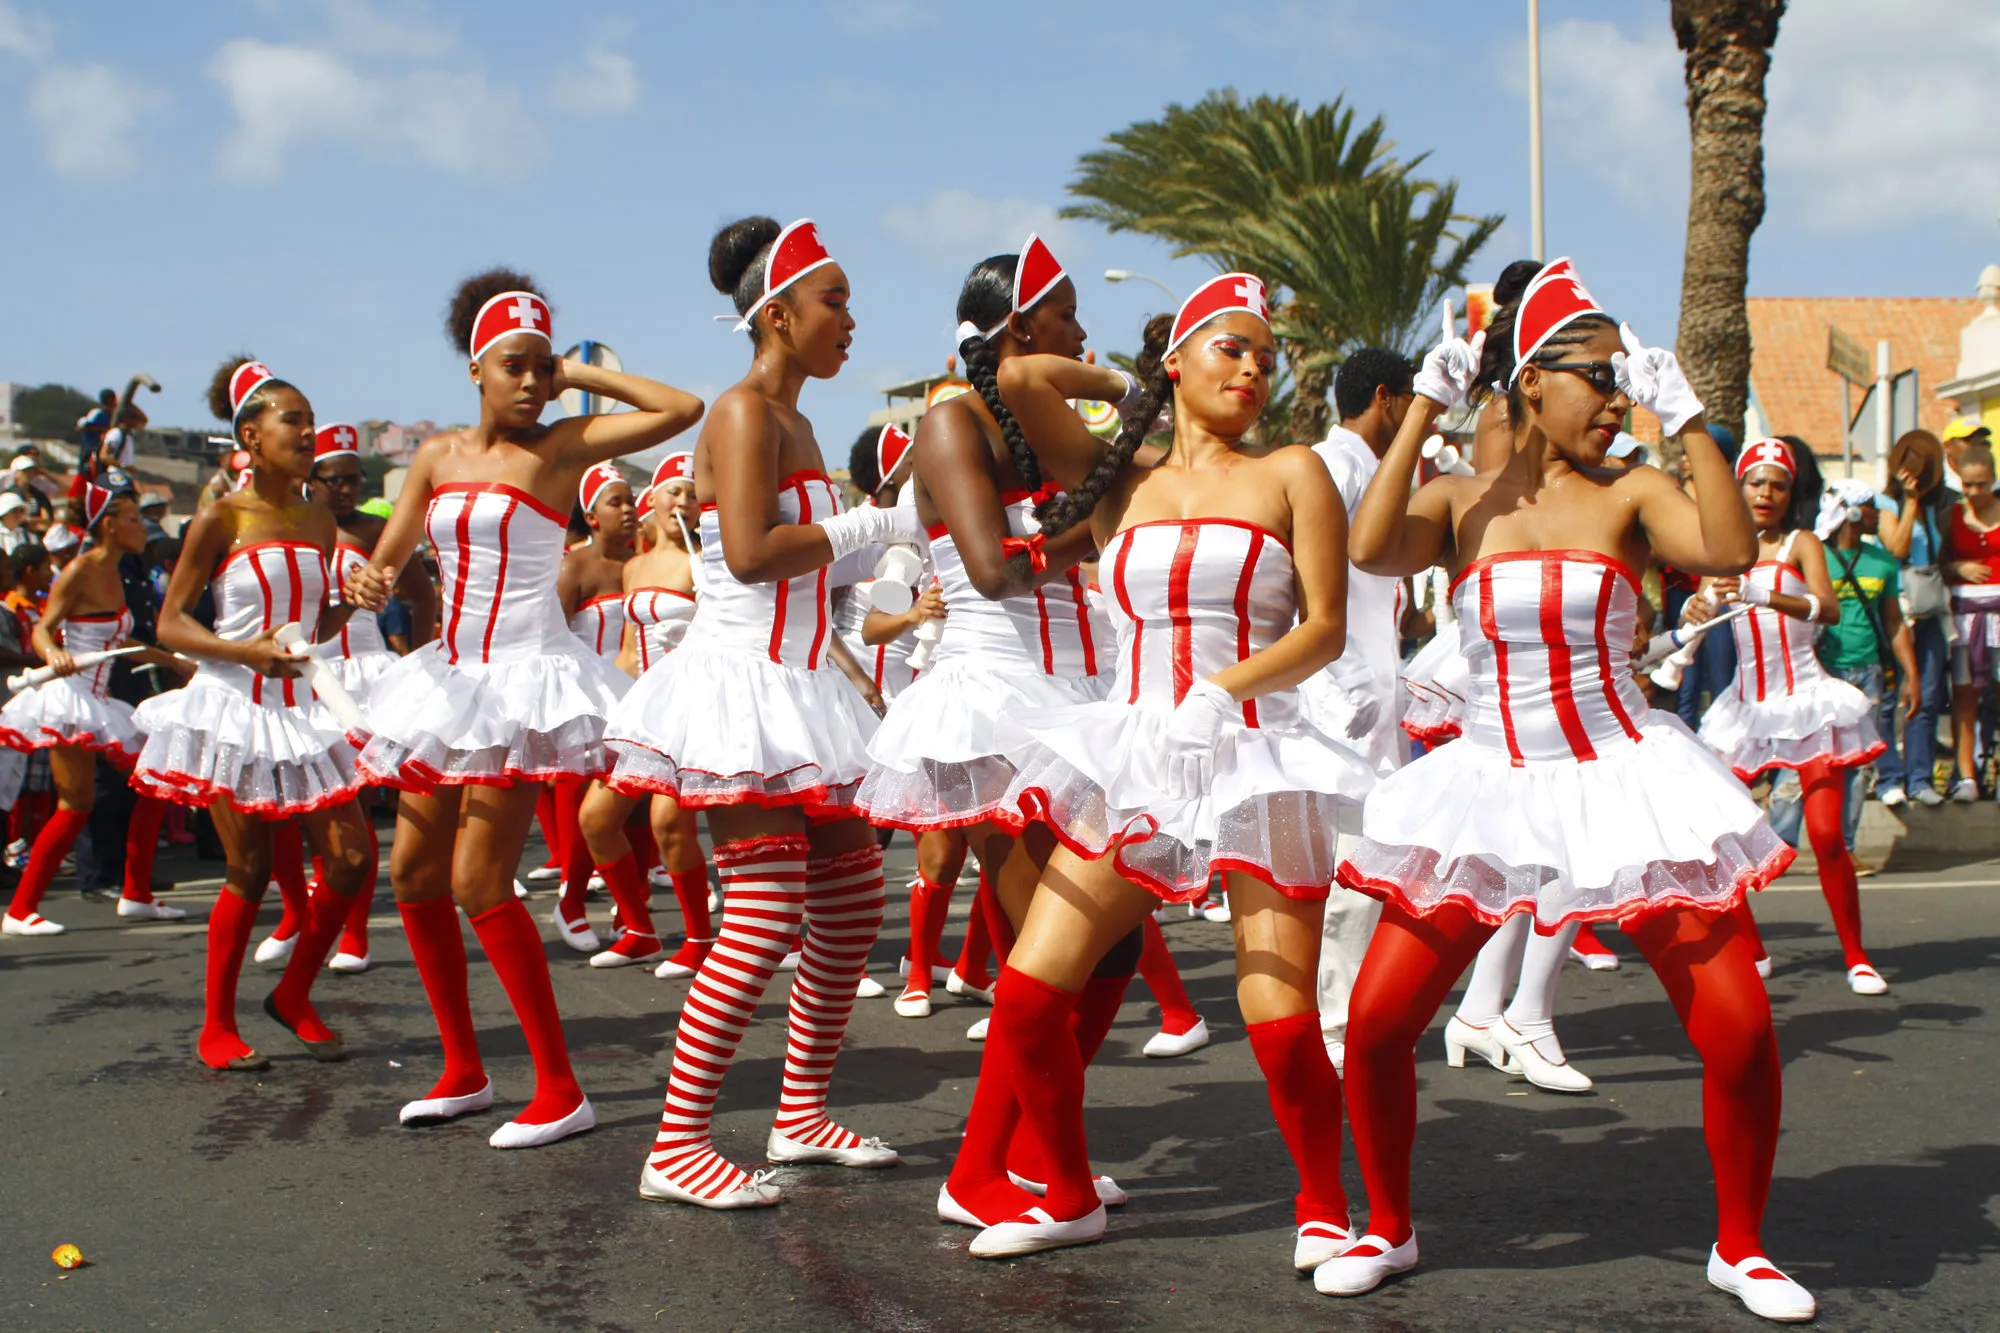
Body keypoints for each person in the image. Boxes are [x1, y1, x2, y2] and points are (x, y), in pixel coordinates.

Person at [1326, 260, 1814, 1322]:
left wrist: (1686, 419)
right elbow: (1366, 548)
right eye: (1595, 375)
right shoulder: (1461, 500)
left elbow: (1728, 547)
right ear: (1528, 381)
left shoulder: (1633, 490)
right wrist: (1422, 406)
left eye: (1621, 378)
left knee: (1735, 1027)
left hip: (1621, 774)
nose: (1614, 396)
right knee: (1372, 1022)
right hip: (1487, 781)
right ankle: (1388, 1225)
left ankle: (1742, 1246)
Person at [949, 271, 1372, 1264]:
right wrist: (1131, 382)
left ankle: (1320, 1207)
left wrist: (1222, 692)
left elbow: (1322, 627)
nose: (1255, 369)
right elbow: (1014, 376)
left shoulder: (1291, 472)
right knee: (1024, 994)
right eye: (1231, 348)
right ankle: (1064, 1193)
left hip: (1255, 755)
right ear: (1177, 361)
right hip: (1137, 754)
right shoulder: (1121, 480)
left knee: (1275, 1010)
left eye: (1267, 356)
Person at [345, 270, 701, 1147]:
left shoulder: (565, 444)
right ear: (476, 369)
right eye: (518, 365)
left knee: (477, 880)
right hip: (445, 681)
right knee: (414, 879)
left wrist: (584, 376)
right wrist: (365, 581)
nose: (534, 382)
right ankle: (463, 1069)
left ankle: (559, 1084)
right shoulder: (434, 458)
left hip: (522, 682)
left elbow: (680, 405)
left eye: (545, 367)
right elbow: (386, 569)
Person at [602, 217, 913, 1208]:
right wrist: (862, 522)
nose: (852, 320)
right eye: (835, 301)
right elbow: (746, 554)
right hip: (741, 687)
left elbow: (809, 568)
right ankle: (677, 1142)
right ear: (775, 314)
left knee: (856, 898)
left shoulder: (800, 423)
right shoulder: (740, 414)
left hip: (802, 683)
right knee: (765, 913)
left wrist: (874, 551)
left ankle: (800, 1113)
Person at [131, 359, 377, 1069]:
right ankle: (216, 1027)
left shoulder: (318, 518)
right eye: (291, 419)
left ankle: (294, 994)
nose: (306, 431)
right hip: (232, 705)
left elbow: (313, 626)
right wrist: (245, 651)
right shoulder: (221, 515)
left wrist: (349, 601)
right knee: (249, 866)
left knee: (355, 859)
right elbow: (171, 625)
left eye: (308, 418)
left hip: (302, 707)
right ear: (251, 433)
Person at [1689, 437, 1889, 995]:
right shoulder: (1723, 549)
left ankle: (1857, 956)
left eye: (1777, 484)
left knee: (1827, 835)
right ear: (1741, 487)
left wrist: (1762, 593)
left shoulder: (1802, 543)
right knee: (1714, 832)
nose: (1766, 493)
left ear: (1789, 493)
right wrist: (1696, 608)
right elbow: (1703, 607)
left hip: (1808, 703)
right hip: (1746, 711)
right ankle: (1752, 950)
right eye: (1756, 482)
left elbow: (1827, 607)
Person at [1298, 345, 1414, 1072]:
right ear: (1387, 399)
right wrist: (1342, 685)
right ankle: (1333, 1022)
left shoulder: (1373, 472)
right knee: (1353, 860)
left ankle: (1337, 1013)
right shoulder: (1333, 469)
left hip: (1368, 693)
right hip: (1339, 699)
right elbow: (1299, 579)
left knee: (1361, 859)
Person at [0, 485, 183, 934]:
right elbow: (44, 629)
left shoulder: (117, 572)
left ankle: (136, 895)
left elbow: (120, 646)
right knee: (75, 804)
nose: (143, 527)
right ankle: (20, 911)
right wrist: (51, 655)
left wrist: (175, 660)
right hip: (71, 700)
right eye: (135, 519)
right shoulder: (80, 570)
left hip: (102, 700)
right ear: (110, 525)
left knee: (154, 784)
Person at [306, 420, 438, 972]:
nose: (345, 489)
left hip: (366, 676)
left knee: (355, 807)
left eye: (353, 479)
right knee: (312, 805)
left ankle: (354, 935)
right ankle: (306, 918)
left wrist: (421, 664)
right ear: (311, 481)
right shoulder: (292, 529)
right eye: (333, 479)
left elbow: (422, 598)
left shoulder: (374, 535)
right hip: (309, 675)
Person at [575, 452, 713, 974]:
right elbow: (630, 650)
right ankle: (638, 929)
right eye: (673, 491)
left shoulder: (703, 565)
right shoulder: (633, 567)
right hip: (641, 708)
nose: (683, 501)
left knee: (668, 824)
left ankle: (700, 939)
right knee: (595, 819)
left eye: (692, 493)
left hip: (690, 704)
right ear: (651, 499)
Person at [547, 461, 640, 953]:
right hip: (583, 699)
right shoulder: (573, 566)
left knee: (637, 809)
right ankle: (572, 900)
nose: (628, 510)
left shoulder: (642, 564)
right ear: (592, 513)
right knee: (590, 811)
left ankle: (631, 912)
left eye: (631, 500)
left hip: (635, 695)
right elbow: (553, 637)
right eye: (615, 501)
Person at [1818, 479, 1919, 844]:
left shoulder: (1883, 564)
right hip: (1823, 671)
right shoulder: (1814, 556)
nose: (1881, 515)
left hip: (1869, 672)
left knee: (1860, 763)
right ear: (1854, 512)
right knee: (1815, 758)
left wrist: (1912, 675)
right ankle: (1791, 843)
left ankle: (1844, 845)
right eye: (1874, 507)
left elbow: (1894, 622)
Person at [1881, 429, 1956, 805]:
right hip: (1897, 608)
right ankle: (1890, 777)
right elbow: (1896, 547)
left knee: (1927, 696)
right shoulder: (1885, 504)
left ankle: (1921, 778)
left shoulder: (1936, 508)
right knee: (1894, 695)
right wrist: (1908, 502)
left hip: (1930, 609)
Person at [1944, 443, 2000, 801]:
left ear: (1993, 479)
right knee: (1965, 696)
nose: (1973, 492)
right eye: (1967, 485)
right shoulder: (1950, 515)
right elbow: (1935, 563)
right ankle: (1967, 776)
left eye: (1980, 484)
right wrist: (1957, 567)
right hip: (1964, 617)